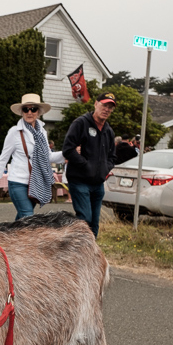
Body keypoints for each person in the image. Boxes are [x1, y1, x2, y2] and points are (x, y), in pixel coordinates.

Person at [0, 94, 65, 220]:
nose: (29, 112)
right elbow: (4, 157)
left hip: (35, 183)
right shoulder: (15, 132)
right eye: (25, 109)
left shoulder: (42, 132)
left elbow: (48, 156)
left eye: (33, 109)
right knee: (28, 218)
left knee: (21, 222)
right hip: (18, 183)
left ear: (38, 112)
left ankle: (10, 239)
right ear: (21, 112)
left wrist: (69, 153)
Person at [62, 91, 118, 237]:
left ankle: (91, 256)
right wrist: (85, 165)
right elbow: (68, 149)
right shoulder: (80, 123)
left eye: (110, 107)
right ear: (96, 104)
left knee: (94, 222)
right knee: (84, 219)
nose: (107, 109)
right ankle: (78, 252)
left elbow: (112, 156)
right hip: (79, 181)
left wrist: (105, 169)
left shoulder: (108, 131)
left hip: (98, 184)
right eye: (104, 105)